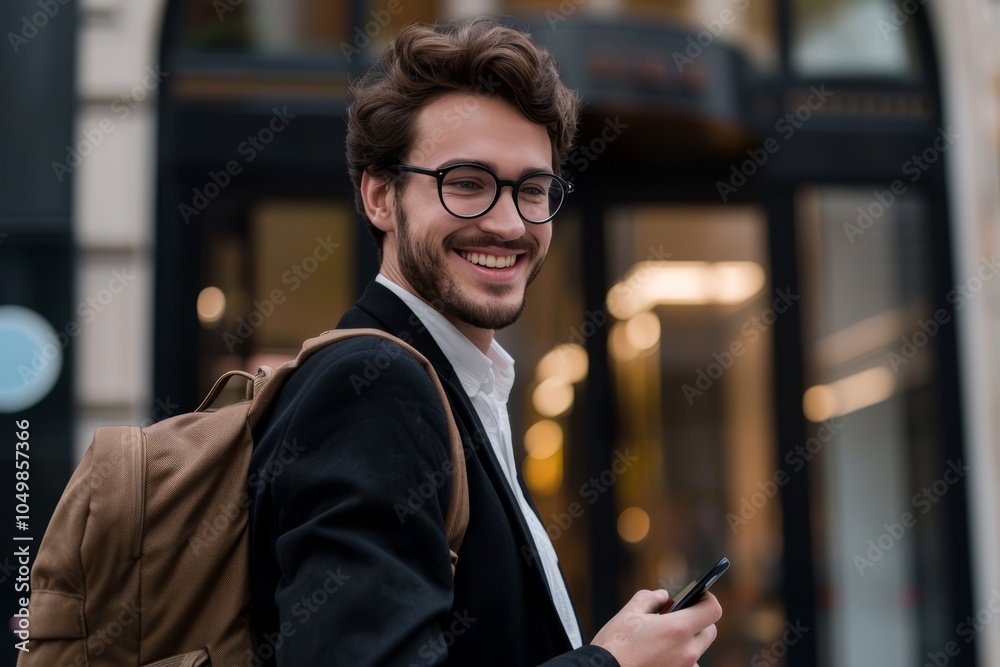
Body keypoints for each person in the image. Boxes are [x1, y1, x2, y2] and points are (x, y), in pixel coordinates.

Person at [248, 16, 722, 667]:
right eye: (466, 183)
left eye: (532, 190)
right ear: (381, 197)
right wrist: (610, 662)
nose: (508, 223)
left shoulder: (451, 385)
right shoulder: (373, 387)